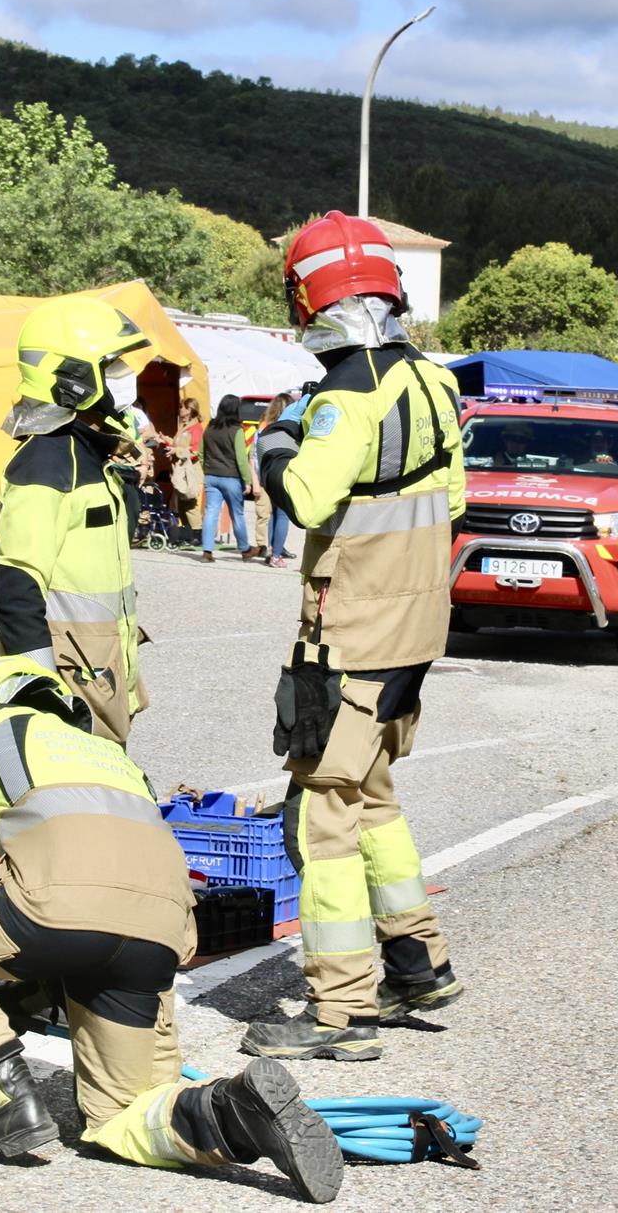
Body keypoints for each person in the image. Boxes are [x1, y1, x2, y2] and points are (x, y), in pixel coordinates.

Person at [0, 656, 344, 1201]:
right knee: (119, 1116)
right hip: (160, 937)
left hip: (51, 917)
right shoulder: (115, 759)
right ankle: (231, 1113)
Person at [242, 211, 466, 1063]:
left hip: (353, 635)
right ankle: (418, 961)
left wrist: (276, 440)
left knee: (325, 812)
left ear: (314, 298)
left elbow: (303, 494)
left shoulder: (344, 398)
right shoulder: (436, 384)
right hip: (413, 630)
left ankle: (341, 1011)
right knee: (374, 793)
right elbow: (449, 502)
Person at [0, 295, 149, 745]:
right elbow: (16, 590)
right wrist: (42, 694)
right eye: (111, 363)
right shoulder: (44, 465)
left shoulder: (91, 453)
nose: (124, 372)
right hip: (69, 681)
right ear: (74, 377)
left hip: (101, 670)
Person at [199, 394, 257, 563]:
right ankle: (245, 549)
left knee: (211, 513)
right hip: (231, 478)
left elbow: (201, 453)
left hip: (211, 476)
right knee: (237, 514)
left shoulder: (209, 427)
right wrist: (247, 480)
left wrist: (207, 468)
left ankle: (207, 552)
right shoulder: (237, 430)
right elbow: (241, 458)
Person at [256, 393, 296, 566]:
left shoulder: (264, 427)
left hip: (266, 474)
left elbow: (253, 453)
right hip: (284, 473)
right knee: (283, 515)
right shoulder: (289, 427)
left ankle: (273, 549)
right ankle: (276, 555)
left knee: (273, 514)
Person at [169, 397, 205, 533]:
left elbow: (195, 451)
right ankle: (186, 531)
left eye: (181, 407)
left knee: (190, 503)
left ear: (189, 409)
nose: (179, 410)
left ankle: (197, 532)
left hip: (191, 471)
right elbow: (179, 444)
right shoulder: (183, 426)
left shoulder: (196, 428)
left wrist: (176, 451)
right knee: (182, 504)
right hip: (181, 470)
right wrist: (165, 441)